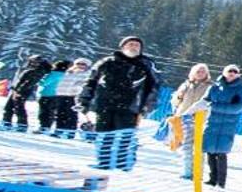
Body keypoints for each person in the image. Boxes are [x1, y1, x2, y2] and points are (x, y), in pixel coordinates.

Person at [78, 36, 161, 171]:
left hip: (130, 107)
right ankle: (103, 162)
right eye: (130, 44)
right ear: (122, 47)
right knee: (103, 135)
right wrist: (84, 99)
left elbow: (154, 87)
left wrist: (147, 105)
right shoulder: (107, 61)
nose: (133, 47)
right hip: (104, 105)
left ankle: (124, 164)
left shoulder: (146, 64)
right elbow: (90, 81)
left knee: (125, 136)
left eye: (137, 46)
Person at [203, 64, 242, 188]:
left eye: (235, 71)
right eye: (230, 71)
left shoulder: (240, 88)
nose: (232, 73)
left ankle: (221, 181)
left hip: (227, 125)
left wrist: (216, 107)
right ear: (224, 72)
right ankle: (212, 178)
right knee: (210, 151)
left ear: (238, 75)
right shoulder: (215, 86)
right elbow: (206, 100)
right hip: (212, 122)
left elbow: (239, 107)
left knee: (222, 153)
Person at [169, 63, 212, 180]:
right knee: (186, 147)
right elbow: (175, 102)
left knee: (199, 147)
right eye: (198, 71)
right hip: (183, 118)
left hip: (200, 120)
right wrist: (178, 96)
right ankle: (186, 171)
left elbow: (210, 103)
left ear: (207, 74)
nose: (200, 73)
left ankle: (198, 173)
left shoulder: (210, 87)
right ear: (193, 73)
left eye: (203, 71)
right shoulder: (186, 85)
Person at [3, 55, 54, 131]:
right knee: (13, 107)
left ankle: (19, 125)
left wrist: (18, 91)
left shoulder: (36, 71)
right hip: (21, 90)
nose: (31, 63)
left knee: (15, 107)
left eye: (33, 61)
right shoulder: (36, 70)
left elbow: (27, 83)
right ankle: (10, 123)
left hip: (21, 91)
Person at [51, 57, 92, 137]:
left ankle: (70, 132)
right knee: (60, 114)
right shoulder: (68, 72)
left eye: (83, 64)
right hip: (61, 94)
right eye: (78, 64)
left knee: (71, 115)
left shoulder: (87, 74)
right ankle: (59, 130)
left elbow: (84, 84)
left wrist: (77, 90)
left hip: (73, 96)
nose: (80, 66)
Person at [35, 59, 69, 132]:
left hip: (47, 94)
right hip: (57, 95)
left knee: (44, 112)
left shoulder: (54, 74)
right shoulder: (66, 75)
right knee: (51, 112)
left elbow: (43, 83)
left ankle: (44, 126)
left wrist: (40, 80)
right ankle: (48, 126)